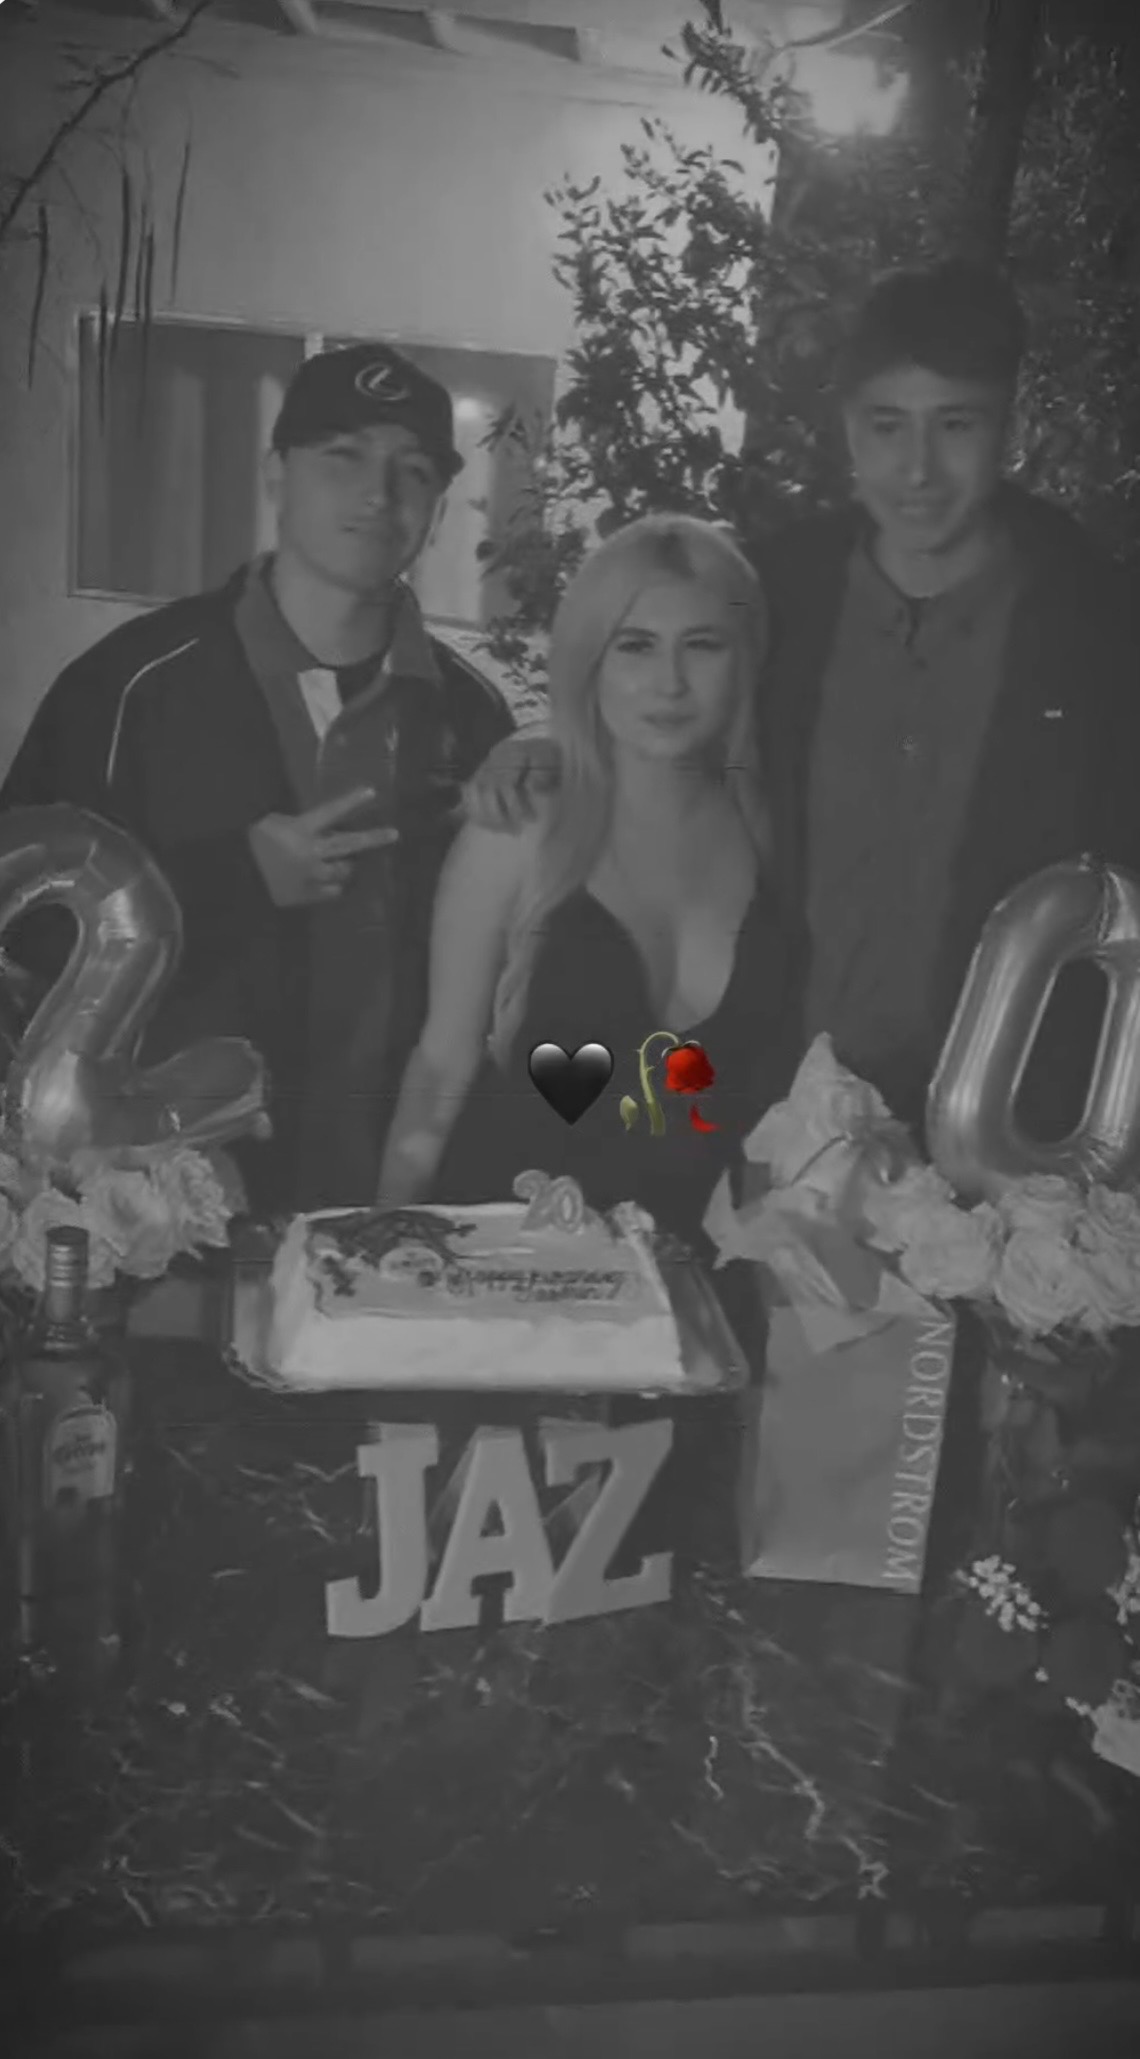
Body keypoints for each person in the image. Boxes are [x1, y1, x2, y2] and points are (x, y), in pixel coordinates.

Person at [458, 259, 1140, 1140]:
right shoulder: (773, 591)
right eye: (887, 425)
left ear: (1012, 423)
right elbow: (665, 708)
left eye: (956, 424)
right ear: (847, 426)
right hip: (763, 1112)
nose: (918, 469)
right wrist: (551, 744)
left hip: (1002, 1127)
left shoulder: (1097, 626)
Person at [0, 342, 514, 1212]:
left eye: (414, 470)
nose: (378, 494)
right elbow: (23, 931)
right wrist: (233, 878)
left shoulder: (469, 716)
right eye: (342, 456)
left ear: (436, 508)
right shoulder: (130, 686)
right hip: (173, 1202)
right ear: (277, 474)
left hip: (394, 1196)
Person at [376, 514, 803, 1249]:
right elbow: (441, 1063)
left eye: (702, 645)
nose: (669, 683)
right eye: (635, 645)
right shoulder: (521, 823)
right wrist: (381, 1239)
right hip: (506, 1264)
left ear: (747, 658)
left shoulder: (774, 835)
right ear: (588, 661)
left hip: (691, 1282)